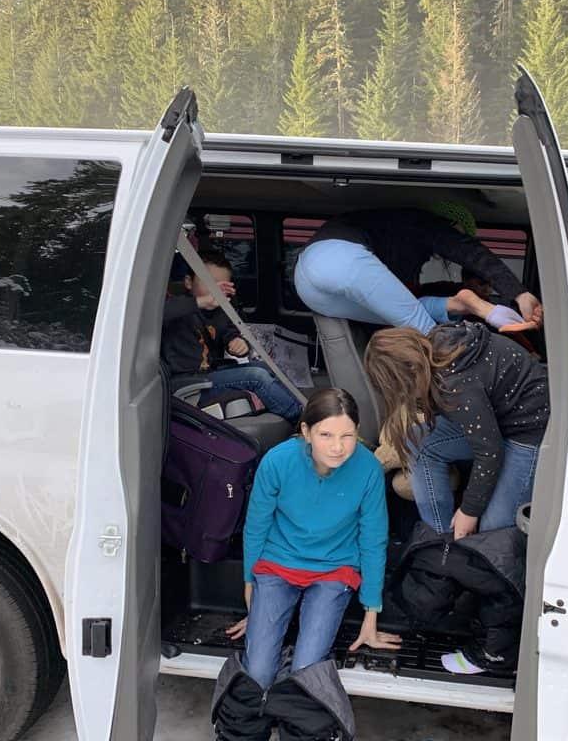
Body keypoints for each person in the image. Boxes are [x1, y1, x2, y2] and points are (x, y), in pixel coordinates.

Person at [211, 388, 401, 739]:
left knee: (307, 671)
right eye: (326, 434)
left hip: (334, 571)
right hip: (277, 565)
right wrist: (251, 590)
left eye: (347, 435)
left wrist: (371, 614)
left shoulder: (368, 469)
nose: (338, 446)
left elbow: (374, 539)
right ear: (306, 431)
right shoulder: (278, 461)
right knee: (259, 671)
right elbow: (257, 525)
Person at [363, 322, 548, 539]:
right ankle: (442, 540)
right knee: (418, 442)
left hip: (529, 431)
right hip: (496, 420)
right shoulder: (437, 346)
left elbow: (490, 452)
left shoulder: (455, 384)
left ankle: (465, 548)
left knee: (491, 532)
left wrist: (469, 511)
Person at [294, 206, 544, 336]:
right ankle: (465, 371)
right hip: (337, 257)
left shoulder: (393, 231)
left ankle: (463, 304)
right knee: (426, 331)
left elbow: (400, 302)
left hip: (310, 287)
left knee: (397, 314)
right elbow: (470, 251)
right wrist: (519, 293)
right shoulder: (422, 224)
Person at [162, 248, 302, 423]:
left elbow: (231, 334)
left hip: (210, 374)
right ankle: (299, 418)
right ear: (189, 283)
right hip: (186, 382)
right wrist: (202, 301)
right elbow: (161, 313)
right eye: (210, 283)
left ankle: (300, 407)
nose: (216, 290)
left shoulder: (221, 312)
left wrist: (238, 344)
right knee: (256, 377)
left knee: (265, 367)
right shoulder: (178, 307)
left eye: (223, 285)